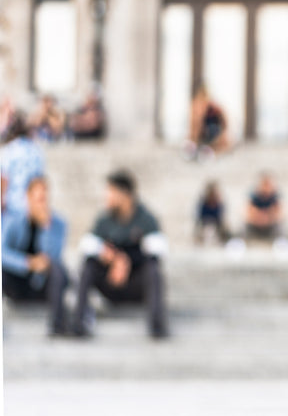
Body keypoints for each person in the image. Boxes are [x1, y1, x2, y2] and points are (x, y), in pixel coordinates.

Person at [71, 170, 169, 339]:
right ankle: (79, 321)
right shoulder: (105, 219)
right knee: (88, 264)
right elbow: (86, 244)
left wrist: (128, 260)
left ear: (124, 194)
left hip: (135, 284)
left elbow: (159, 248)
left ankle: (156, 325)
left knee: (153, 268)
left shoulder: (145, 218)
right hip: (110, 283)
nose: (106, 196)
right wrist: (113, 258)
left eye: (110, 191)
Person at [1, 176, 70, 336]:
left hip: (41, 284)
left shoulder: (58, 224)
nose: (42, 203)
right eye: (38, 199)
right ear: (28, 198)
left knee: (59, 270)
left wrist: (46, 228)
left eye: (44, 199)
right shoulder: (14, 221)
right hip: (18, 283)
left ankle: (57, 325)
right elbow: (2, 253)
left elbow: (55, 257)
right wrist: (27, 263)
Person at [1, 112, 46, 216]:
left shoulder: (9, 150)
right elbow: (40, 180)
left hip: (12, 204)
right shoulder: (37, 150)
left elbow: (4, 178)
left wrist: (2, 200)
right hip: (31, 206)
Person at [187, 87, 229, 159]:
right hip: (202, 135)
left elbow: (224, 123)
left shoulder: (214, 108)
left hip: (213, 133)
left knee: (212, 130)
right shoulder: (197, 107)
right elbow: (194, 126)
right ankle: (199, 147)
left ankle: (209, 147)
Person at [246, 172, 284, 241]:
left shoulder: (274, 196)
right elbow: (248, 212)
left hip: (270, 224)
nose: (266, 187)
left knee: (281, 227)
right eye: (264, 184)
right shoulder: (254, 196)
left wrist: (268, 218)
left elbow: (280, 213)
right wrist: (259, 218)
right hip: (256, 224)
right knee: (245, 227)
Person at [195, 181, 230, 245]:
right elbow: (199, 218)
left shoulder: (219, 203)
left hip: (217, 225)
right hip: (206, 224)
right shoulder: (203, 203)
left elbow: (221, 218)